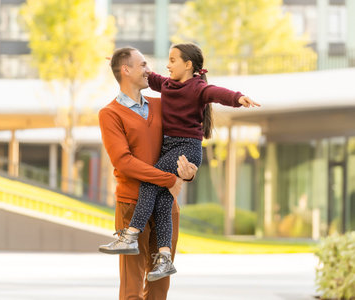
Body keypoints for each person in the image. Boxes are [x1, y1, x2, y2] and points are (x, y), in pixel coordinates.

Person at [100, 43, 260, 281]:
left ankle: (131, 234)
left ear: (188, 65)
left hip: (187, 148)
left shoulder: (197, 89)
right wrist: (119, 62)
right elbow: (151, 77)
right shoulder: (166, 86)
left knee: (150, 182)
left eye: (173, 60)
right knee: (164, 200)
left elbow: (217, 93)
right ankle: (164, 258)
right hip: (168, 151)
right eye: (167, 60)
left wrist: (238, 98)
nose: (167, 64)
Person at [98, 47, 198, 300]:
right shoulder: (110, 114)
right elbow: (124, 162)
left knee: (159, 287)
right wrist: (169, 179)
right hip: (132, 206)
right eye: (143, 65)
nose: (150, 70)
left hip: (166, 205)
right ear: (126, 70)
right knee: (132, 288)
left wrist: (188, 172)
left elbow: (184, 142)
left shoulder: (163, 105)